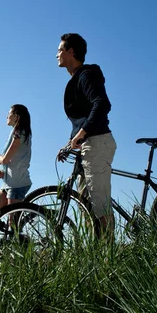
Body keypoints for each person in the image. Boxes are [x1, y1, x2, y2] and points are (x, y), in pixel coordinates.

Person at [56, 33, 117, 241]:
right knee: (86, 203)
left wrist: (82, 133)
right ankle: (96, 255)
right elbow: (82, 119)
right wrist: (68, 144)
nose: (57, 54)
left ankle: (109, 258)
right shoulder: (79, 78)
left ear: (71, 52)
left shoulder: (86, 75)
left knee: (99, 205)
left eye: (60, 50)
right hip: (89, 143)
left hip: (97, 142)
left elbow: (102, 104)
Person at [0, 104, 32, 221]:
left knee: (13, 225)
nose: (6, 116)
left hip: (17, 185)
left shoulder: (20, 133)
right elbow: (14, 159)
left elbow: (5, 159)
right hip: (9, 184)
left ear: (16, 116)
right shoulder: (17, 132)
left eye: (9, 114)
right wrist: (4, 171)